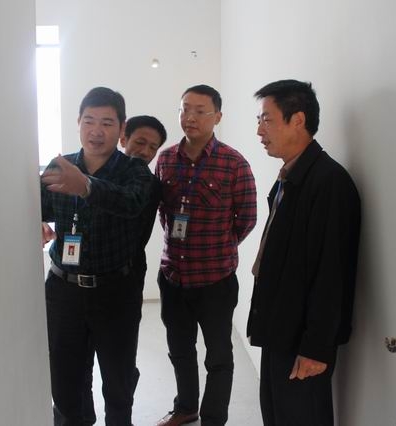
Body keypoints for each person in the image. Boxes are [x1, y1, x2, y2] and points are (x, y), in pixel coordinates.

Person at [246, 79, 361, 426]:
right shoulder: (292, 176)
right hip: (281, 330)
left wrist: (315, 348)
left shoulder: (328, 183)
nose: (259, 131)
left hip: (302, 342)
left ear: (297, 120)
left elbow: (331, 274)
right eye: (259, 120)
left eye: (267, 120)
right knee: (277, 415)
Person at [41, 87, 153, 426]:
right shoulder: (59, 166)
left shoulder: (134, 171)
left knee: (118, 382)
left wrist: (86, 186)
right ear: (78, 122)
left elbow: (131, 202)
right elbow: (36, 207)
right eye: (89, 121)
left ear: (121, 128)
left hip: (115, 292)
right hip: (63, 291)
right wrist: (36, 223)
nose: (96, 131)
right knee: (66, 383)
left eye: (107, 123)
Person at [154, 85, 257, 426]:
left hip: (216, 281)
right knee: (180, 349)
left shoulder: (233, 163)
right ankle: (186, 407)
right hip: (173, 277)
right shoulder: (165, 159)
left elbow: (247, 217)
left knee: (219, 356)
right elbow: (163, 212)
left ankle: (214, 418)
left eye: (200, 111)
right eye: (185, 109)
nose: (190, 117)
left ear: (218, 117)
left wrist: (220, 246)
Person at [77, 115, 169, 425]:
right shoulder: (87, 170)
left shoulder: (149, 185)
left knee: (119, 365)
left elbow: (133, 220)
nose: (145, 151)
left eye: (153, 148)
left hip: (123, 279)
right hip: (77, 284)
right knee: (76, 367)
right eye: (140, 142)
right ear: (123, 138)